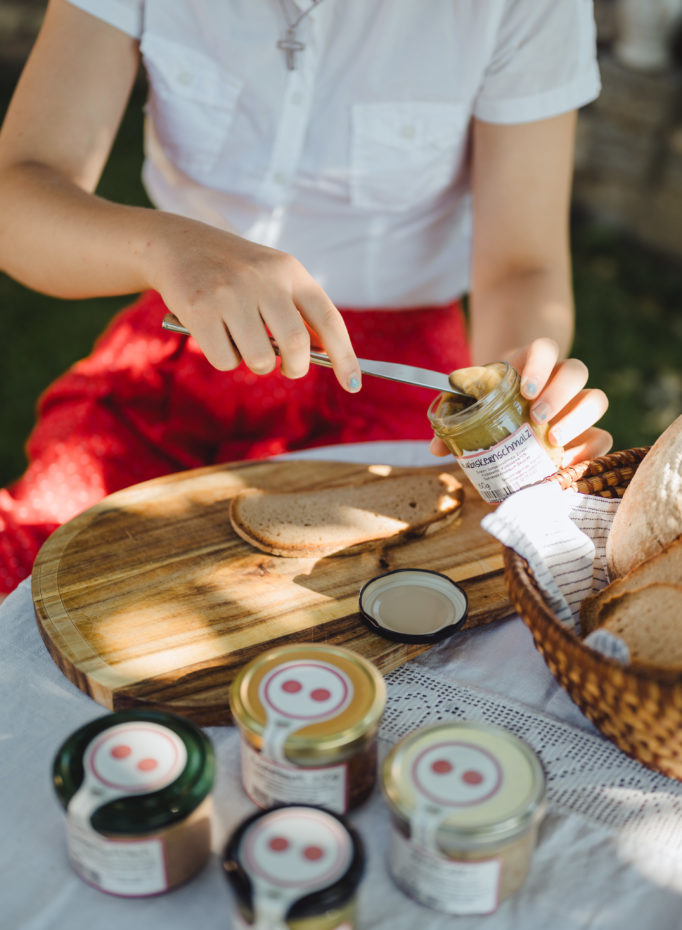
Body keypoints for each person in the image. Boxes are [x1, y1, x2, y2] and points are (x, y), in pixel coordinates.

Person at [0, 0, 612, 598]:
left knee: (363, 603)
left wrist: (514, 397)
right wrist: (163, 248)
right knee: (44, 565)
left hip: (391, 384)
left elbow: (521, 264)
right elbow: (18, 195)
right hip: (194, 336)